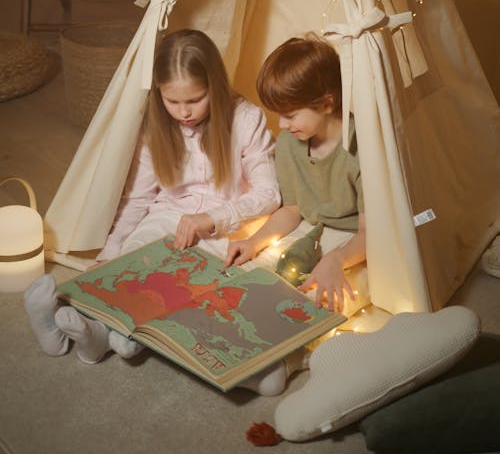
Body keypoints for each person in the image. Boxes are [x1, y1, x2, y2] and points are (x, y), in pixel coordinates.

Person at [25, 29, 287, 392]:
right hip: (166, 217)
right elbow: (137, 199)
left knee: (184, 299)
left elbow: (268, 194)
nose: (184, 113)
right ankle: (81, 335)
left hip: (225, 230)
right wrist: (111, 253)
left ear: (215, 83)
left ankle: (104, 340)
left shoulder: (246, 119)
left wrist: (211, 218)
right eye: (172, 101)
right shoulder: (155, 127)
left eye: (195, 100)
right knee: (131, 274)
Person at [225, 34, 366, 314]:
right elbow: (291, 210)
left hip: (356, 241)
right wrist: (254, 242)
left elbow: (371, 232)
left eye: (289, 115)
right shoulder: (290, 142)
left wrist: (337, 259)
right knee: (248, 291)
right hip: (312, 230)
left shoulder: (360, 146)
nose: (281, 124)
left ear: (327, 104)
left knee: (326, 303)